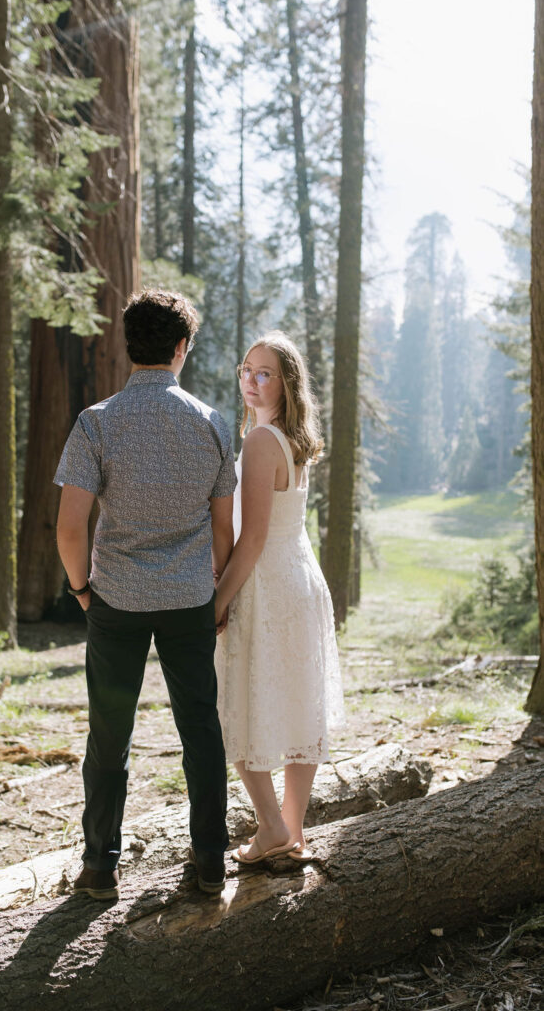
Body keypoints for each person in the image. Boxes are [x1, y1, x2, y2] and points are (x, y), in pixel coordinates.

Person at [54, 288, 236, 899]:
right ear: (182, 347)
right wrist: (216, 595)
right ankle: (212, 860)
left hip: (116, 603)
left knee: (109, 731)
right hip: (189, 602)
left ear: (129, 347)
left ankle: (100, 867)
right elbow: (222, 529)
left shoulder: (96, 423)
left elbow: (70, 526)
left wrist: (81, 589)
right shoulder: (213, 423)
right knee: (200, 728)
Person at [214, 330, 344, 864]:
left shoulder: (261, 441)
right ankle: (292, 830)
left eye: (263, 373)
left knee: (241, 702)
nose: (251, 380)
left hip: (268, 582)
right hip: (302, 580)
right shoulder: (294, 440)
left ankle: (272, 827)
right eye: (246, 369)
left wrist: (219, 599)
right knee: (294, 703)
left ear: (286, 383)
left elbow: (255, 536)